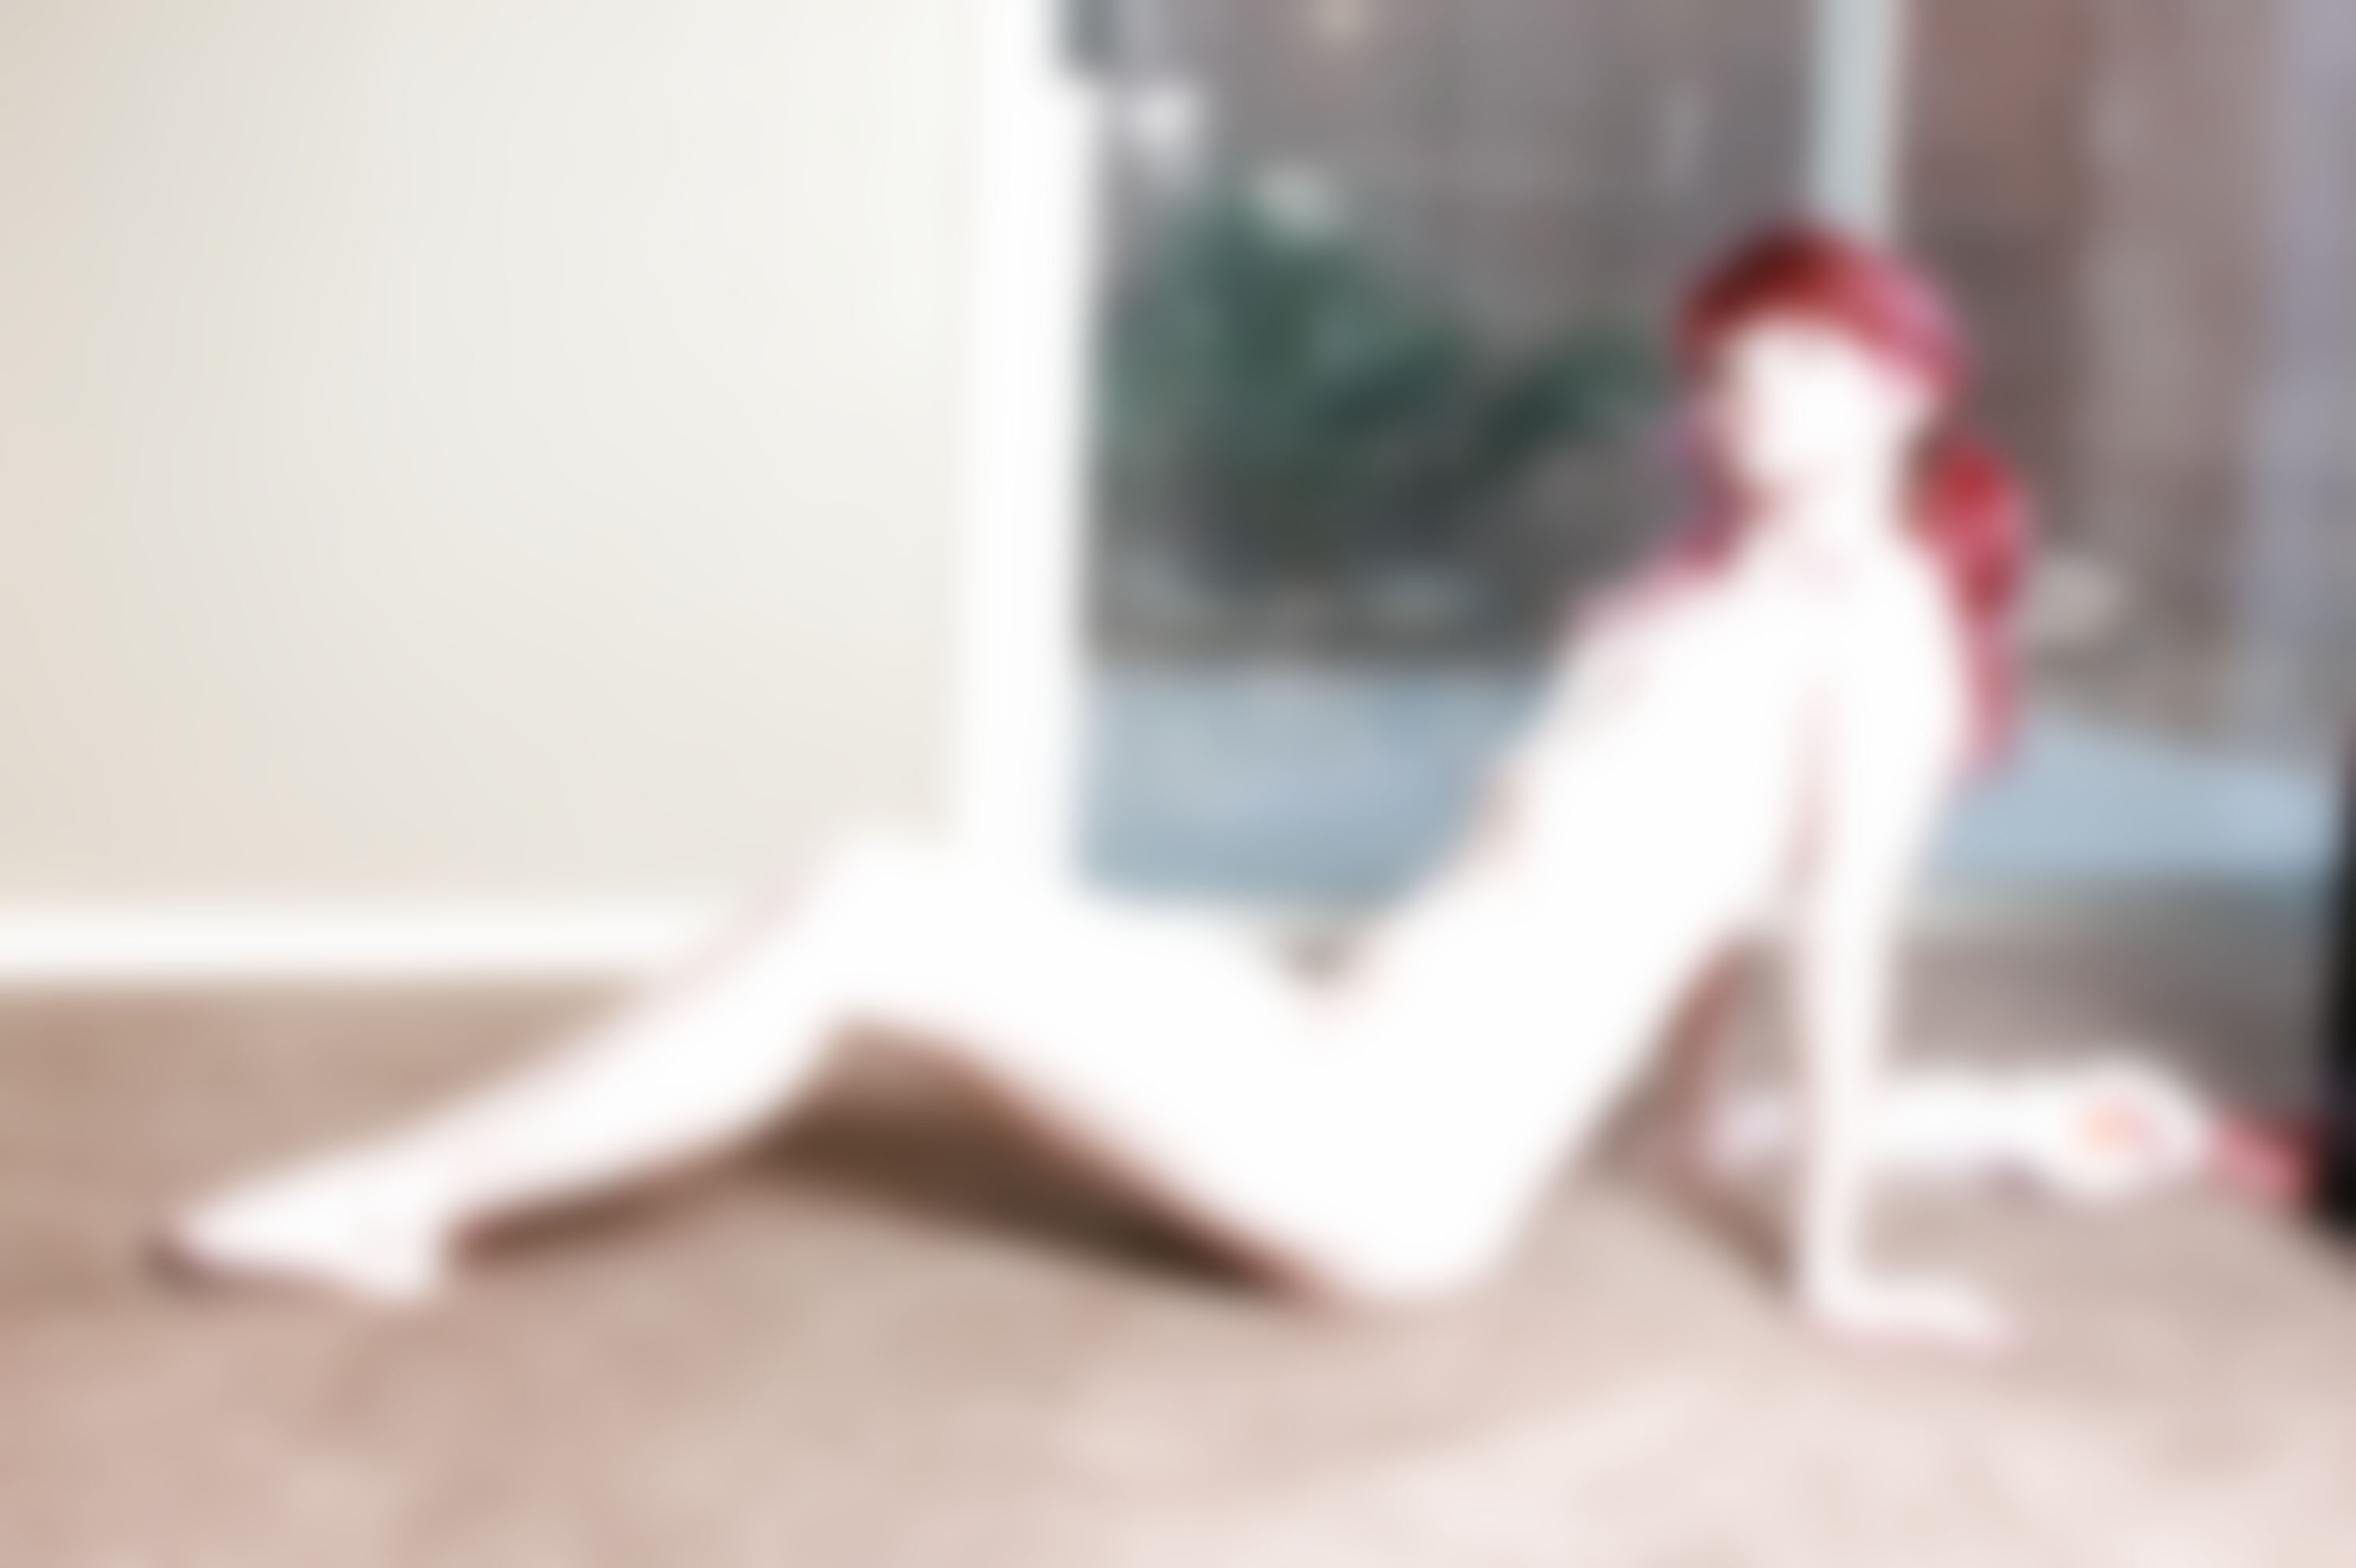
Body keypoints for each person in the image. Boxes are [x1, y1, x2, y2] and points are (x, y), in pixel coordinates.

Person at [164, 221, 2030, 1351]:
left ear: (1907, 388)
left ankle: (395, 1198)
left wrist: (1833, 1265)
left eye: (1804, 356)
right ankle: (410, 1193)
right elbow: (1699, 907)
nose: (1746, 389)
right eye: (1727, 361)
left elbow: (1835, 935)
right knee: (863, 871)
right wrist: (1685, 1124)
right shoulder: (1703, 605)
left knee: (866, 913)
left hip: (1387, 1159)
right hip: (1331, 1038)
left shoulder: (1879, 638)